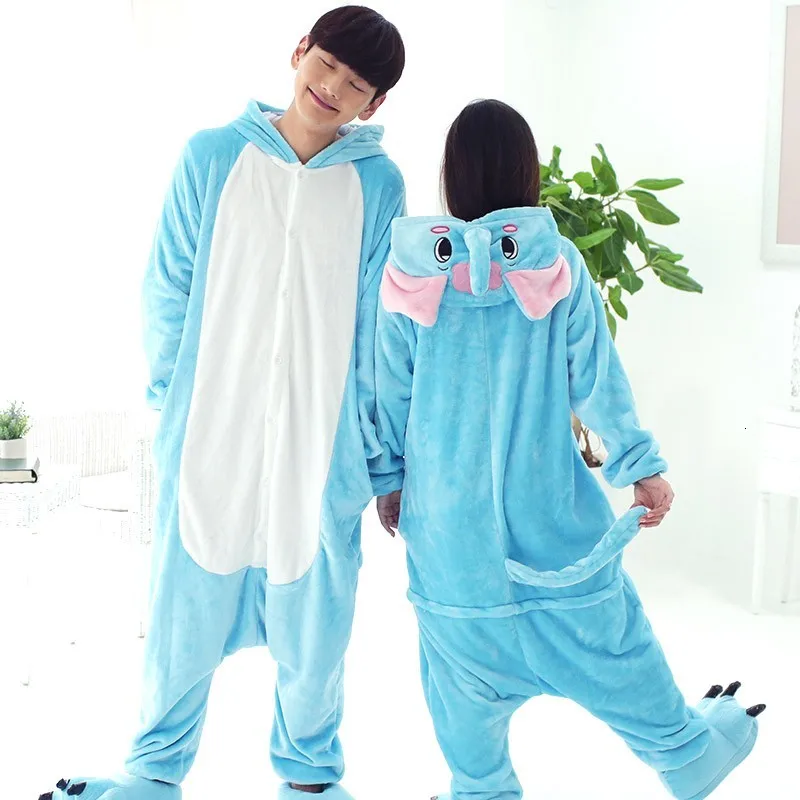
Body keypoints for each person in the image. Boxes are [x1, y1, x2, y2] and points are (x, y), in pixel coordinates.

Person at [39, 7, 405, 800]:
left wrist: (380, 460)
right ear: (299, 52)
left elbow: (380, 325)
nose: (332, 88)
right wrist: (177, 403)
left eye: (356, 84)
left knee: (317, 629)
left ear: (374, 104)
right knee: (183, 615)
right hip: (213, 428)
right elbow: (167, 287)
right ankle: (153, 772)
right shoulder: (212, 156)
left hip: (320, 444)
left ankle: (310, 780)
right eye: (327, 64)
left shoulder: (378, 186)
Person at [372, 99, 765, 800]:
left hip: (452, 545)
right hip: (550, 526)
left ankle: (480, 789)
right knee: (611, 646)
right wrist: (639, 467)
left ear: (451, 175)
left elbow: (388, 393)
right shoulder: (556, 268)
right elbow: (597, 380)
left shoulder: (411, 276)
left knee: (460, 683)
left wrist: (390, 481)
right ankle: (684, 753)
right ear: (526, 173)